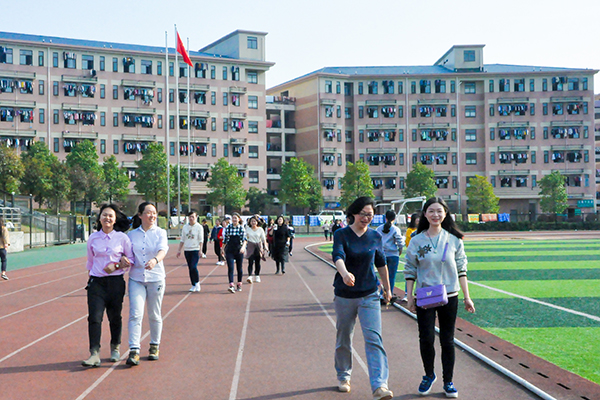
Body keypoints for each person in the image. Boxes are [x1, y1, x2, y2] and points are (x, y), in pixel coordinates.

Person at [404, 197, 475, 398]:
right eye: (431, 211)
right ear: (425, 214)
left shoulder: (454, 240)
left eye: (439, 211)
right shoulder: (416, 240)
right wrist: (409, 297)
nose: (435, 215)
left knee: (447, 340)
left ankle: (448, 381)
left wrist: (467, 297)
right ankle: (429, 375)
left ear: (445, 214)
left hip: (450, 295)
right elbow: (410, 269)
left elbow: (462, 269)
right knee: (426, 338)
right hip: (425, 296)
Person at [332, 197, 394, 400]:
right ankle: (344, 376)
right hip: (345, 295)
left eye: (370, 215)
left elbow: (381, 262)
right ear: (353, 214)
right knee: (344, 336)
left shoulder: (375, 236)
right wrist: (344, 274)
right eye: (363, 214)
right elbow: (338, 255)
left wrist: (387, 288)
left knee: (374, 339)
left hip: (369, 294)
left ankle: (380, 385)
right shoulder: (341, 234)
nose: (366, 218)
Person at [82, 204, 134, 367]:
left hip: (115, 283)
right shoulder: (93, 238)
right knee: (94, 318)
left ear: (115, 219)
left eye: (111, 216)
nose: (107, 218)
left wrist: (117, 266)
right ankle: (94, 353)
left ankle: (115, 347)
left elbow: (131, 260)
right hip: (97, 283)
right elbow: (90, 261)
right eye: (104, 215)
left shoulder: (122, 238)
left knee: (114, 317)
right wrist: (91, 279)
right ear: (99, 218)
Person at [121, 202, 169, 366]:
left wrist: (155, 260)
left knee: (154, 314)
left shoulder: (160, 233)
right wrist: (124, 259)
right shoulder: (131, 235)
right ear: (140, 215)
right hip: (136, 279)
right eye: (148, 212)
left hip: (156, 278)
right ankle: (134, 350)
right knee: (135, 314)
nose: (152, 216)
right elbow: (126, 253)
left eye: (154, 213)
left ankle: (154, 345)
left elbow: (163, 250)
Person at [376, 210, 405, 302]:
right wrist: (400, 250)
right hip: (393, 255)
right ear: (394, 218)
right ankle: (389, 295)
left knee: (383, 276)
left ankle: (382, 295)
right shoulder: (395, 229)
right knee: (391, 276)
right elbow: (400, 242)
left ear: (385, 218)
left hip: (381, 254)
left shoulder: (379, 229)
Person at [176, 211, 204, 292]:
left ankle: (197, 282)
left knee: (193, 266)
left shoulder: (199, 227)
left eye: (193, 217)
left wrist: (201, 250)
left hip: (195, 249)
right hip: (187, 249)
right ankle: (193, 284)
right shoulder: (185, 227)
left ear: (196, 217)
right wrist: (179, 250)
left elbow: (201, 240)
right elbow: (182, 239)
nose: (191, 218)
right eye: (190, 217)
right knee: (190, 268)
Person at [222, 213, 247, 293]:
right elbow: (225, 239)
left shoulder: (241, 228)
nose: (234, 219)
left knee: (239, 268)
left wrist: (243, 247)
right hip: (230, 249)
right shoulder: (228, 227)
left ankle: (239, 284)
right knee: (230, 267)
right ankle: (231, 285)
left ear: (239, 219)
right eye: (233, 218)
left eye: (236, 218)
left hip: (239, 249)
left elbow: (245, 240)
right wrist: (222, 249)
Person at [401, 213, 420, 302]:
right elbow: (408, 242)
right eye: (417, 219)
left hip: (421, 255)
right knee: (410, 274)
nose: (418, 221)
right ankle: (407, 294)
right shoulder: (410, 230)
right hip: (412, 255)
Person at [245, 216, 267, 284]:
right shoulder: (248, 229)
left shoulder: (260, 229)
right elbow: (245, 238)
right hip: (250, 246)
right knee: (250, 262)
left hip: (258, 246)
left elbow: (263, 239)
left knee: (257, 262)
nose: (253, 222)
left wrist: (265, 246)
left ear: (257, 222)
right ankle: (250, 276)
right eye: (252, 221)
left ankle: (257, 275)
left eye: (254, 221)